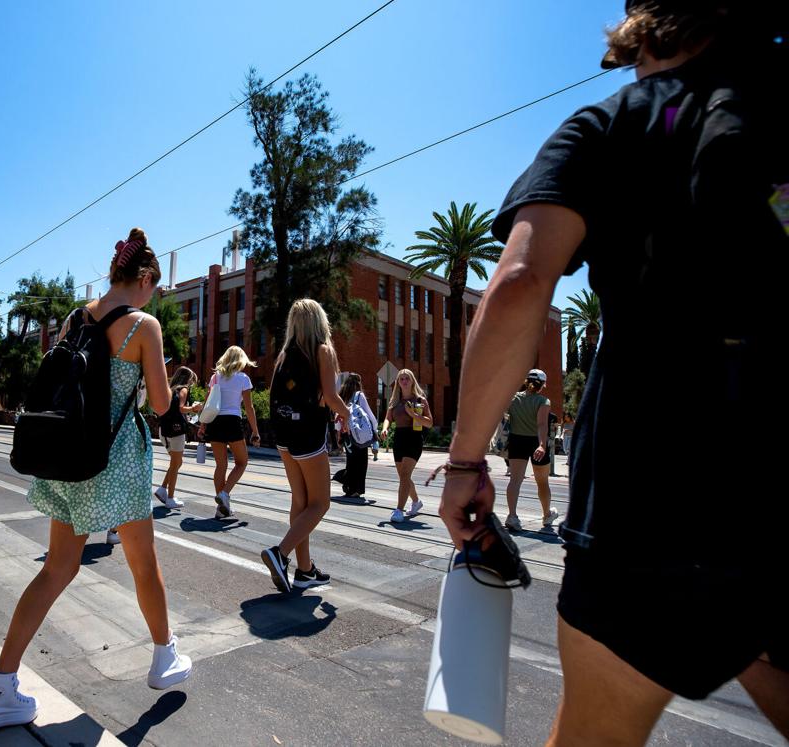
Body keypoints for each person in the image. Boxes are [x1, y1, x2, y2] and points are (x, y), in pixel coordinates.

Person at [437, 3, 787, 743]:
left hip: (646, 511)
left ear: (647, 33)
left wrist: (465, 460)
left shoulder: (611, 125)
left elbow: (521, 285)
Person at [0, 229, 191, 732]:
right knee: (143, 565)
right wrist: (171, 386)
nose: (155, 295)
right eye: (154, 286)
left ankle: (0, 685)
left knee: (57, 569)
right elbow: (159, 405)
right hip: (116, 461)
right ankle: (164, 656)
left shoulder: (75, 317)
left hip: (70, 454)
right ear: (146, 277)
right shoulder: (143, 326)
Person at [260, 299, 351, 592]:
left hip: (284, 437)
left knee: (300, 502)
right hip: (308, 435)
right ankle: (280, 553)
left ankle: (306, 570)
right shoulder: (322, 351)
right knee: (320, 503)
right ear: (319, 322)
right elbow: (331, 397)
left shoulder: (284, 355)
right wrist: (348, 416)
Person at [200, 346, 261, 519]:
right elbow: (249, 407)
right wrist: (255, 431)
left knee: (221, 465)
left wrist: (203, 425)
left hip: (215, 422)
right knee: (242, 462)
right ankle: (224, 494)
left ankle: (221, 508)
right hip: (232, 421)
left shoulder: (215, 377)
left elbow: (208, 403)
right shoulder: (243, 378)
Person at [502, 370, 559, 531]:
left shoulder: (513, 398)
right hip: (535, 442)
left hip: (516, 440)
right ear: (542, 385)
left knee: (515, 480)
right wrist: (541, 445)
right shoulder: (543, 401)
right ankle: (547, 515)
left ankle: (512, 516)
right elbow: (542, 425)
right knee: (542, 482)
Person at [379, 369, 433, 523]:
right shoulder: (395, 400)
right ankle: (416, 502)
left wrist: (414, 415)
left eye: (406, 378)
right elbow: (388, 418)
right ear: (397, 382)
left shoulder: (420, 400)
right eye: (401, 378)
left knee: (404, 476)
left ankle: (399, 510)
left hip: (414, 438)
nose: (404, 381)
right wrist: (384, 428)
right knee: (404, 477)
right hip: (399, 438)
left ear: (412, 381)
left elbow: (429, 423)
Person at [155, 366, 201, 510]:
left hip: (164, 430)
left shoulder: (170, 389)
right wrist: (194, 409)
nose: (191, 385)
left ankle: (162, 489)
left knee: (177, 462)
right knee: (175, 464)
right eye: (192, 381)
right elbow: (181, 408)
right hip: (176, 432)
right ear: (188, 379)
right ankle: (170, 498)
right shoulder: (183, 389)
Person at [336, 373, 375, 497]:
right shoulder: (359, 396)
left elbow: (336, 418)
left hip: (346, 434)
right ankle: (357, 489)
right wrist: (375, 433)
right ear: (358, 383)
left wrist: (339, 435)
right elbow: (369, 415)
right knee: (361, 461)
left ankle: (349, 487)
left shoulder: (341, 396)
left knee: (351, 460)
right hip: (359, 434)